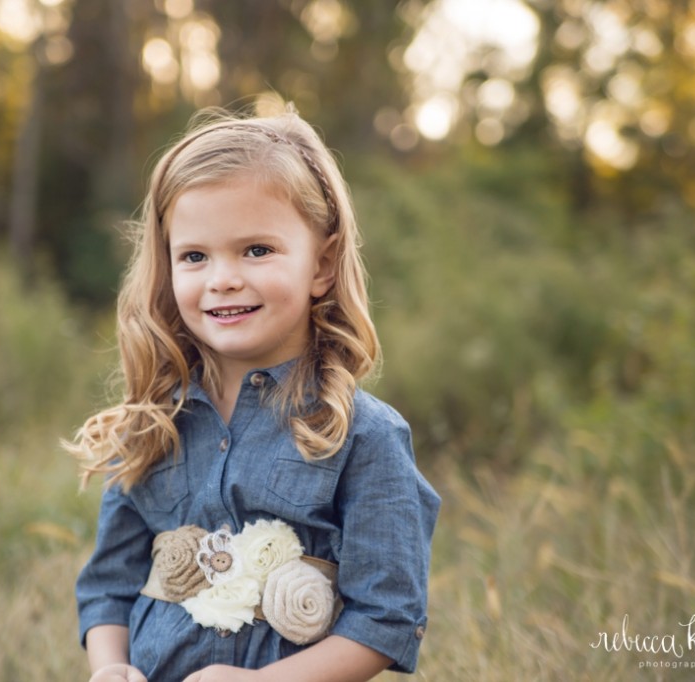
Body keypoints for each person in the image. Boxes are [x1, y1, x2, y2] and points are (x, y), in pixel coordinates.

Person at [66, 105, 440, 682]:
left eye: (256, 250)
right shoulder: (150, 427)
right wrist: (110, 667)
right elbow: (107, 587)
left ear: (323, 263)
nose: (222, 278)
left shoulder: (363, 437)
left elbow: (387, 619)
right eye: (195, 256)